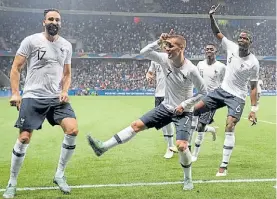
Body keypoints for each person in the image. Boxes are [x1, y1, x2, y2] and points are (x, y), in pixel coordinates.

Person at [87, 30, 207, 190]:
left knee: (182, 146)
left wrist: (184, 105)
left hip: (183, 112)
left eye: (170, 46)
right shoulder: (164, 59)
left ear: (181, 48)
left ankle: (187, 179)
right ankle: (103, 147)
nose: (166, 49)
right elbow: (144, 52)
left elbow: (204, 92)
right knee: (136, 125)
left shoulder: (191, 69)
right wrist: (159, 41)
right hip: (166, 107)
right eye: (166, 46)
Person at [3, 9, 78, 198]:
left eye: (58, 19)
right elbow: (16, 67)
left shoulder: (66, 45)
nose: (54, 22)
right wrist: (15, 93)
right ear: (43, 22)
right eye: (51, 19)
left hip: (56, 98)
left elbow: (67, 74)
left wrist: (64, 91)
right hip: (32, 96)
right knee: (24, 138)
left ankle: (59, 174)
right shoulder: (31, 41)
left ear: (61, 23)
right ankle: (12, 182)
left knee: (73, 130)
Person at [193, 5, 260, 177]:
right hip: (222, 91)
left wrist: (253, 109)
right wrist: (211, 17)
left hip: (237, 96)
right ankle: (187, 142)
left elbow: (253, 87)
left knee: (229, 125)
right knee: (194, 110)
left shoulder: (254, 62)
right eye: (240, 37)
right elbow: (217, 33)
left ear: (250, 42)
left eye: (245, 38)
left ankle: (223, 165)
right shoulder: (231, 47)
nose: (241, 39)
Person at [190, 44, 226, 162]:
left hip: (212, 99)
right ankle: (211, 130)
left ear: (216, 51)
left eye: (211, 49)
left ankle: (194, 154)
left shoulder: (221, 67)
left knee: (200, 126)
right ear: (204, 51)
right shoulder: (200, 64)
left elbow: (225, 83)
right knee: (193, 126)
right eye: (207, 49)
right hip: (199, 96)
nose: (209, 51)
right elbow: (195, 78)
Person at [146, 60, 177, 159]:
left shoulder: (172, 57)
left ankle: (170, 147)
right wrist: (148, 76)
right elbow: (150, 72)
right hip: (158, 94)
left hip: (169, 94)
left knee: (167, 121)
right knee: (160, 122)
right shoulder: (154, 60)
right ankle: (169, 144)